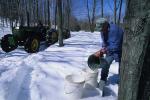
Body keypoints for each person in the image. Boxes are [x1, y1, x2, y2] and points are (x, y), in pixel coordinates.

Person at [87, 18, 124, 90]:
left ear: (106, 25)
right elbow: (104, 42)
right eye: (99, 29)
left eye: (101, 29)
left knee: (122, 67)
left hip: (120, 51)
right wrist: (102, 49)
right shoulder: (102, 30)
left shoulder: (116, 31)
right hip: (109, 51)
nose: (100, 31)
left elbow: (117, 45)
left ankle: (121, 81)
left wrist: (105, 50)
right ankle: (103, 80)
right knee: (105, 64)